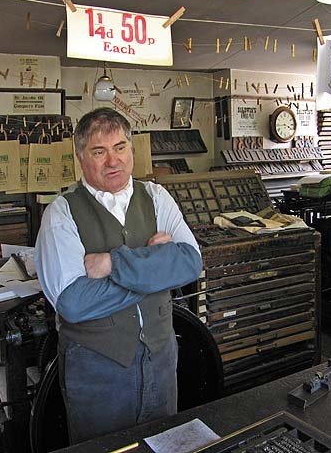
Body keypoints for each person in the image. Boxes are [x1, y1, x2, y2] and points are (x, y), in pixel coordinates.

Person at [34, 107, 202, 445]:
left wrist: (112, 263)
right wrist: (155, 271)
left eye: (120, 147)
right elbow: (74, 303)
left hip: (160, 358)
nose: (113, 161)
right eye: (100, 151)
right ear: (81, 157)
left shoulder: (157, 196)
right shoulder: (61, 213)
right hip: (97, 369)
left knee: (162, 443)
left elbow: (190, 264)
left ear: (132, 150)